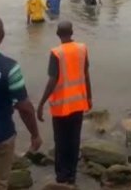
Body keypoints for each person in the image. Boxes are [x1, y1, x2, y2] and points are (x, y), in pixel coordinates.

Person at [37, 21, 92, 185]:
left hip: (61, 106)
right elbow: (86, 74)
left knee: (61, 141)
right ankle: (72, 175)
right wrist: (89, 97)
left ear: (57, 34)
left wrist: (40, 104)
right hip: (78, 104)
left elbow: (52, 80)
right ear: (72, 32)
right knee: (74, 139)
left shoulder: (56, 53)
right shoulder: (82, 49)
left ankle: (62, 176)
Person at [0, 15, 43, 190]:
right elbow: (24, 108)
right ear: (3, 35)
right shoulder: (10, 68)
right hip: (1, 136)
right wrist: (35, 134)